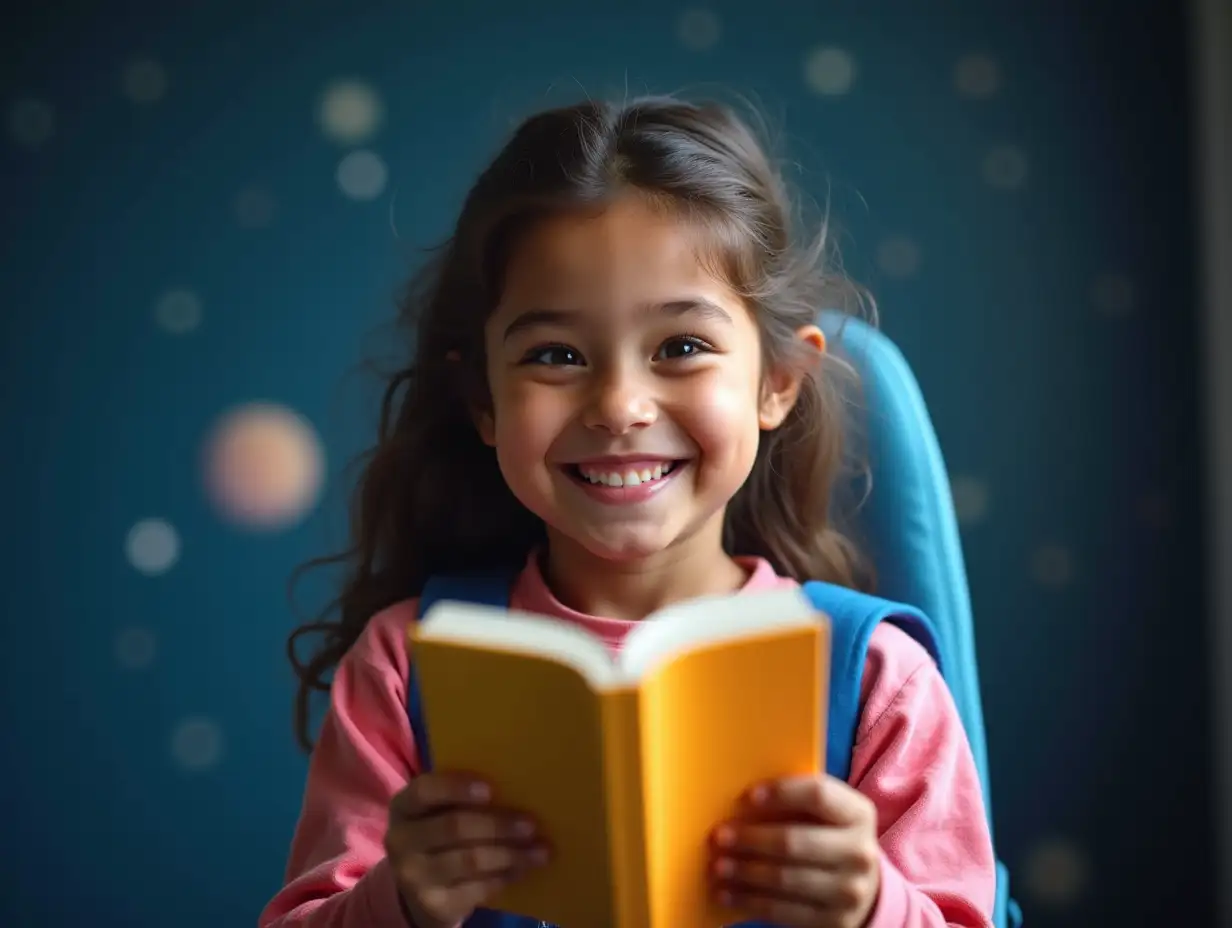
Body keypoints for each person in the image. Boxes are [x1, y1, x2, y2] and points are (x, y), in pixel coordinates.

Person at [260, 96, 996, 928]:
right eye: (555, 355)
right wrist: (400, 901)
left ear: (778, 382)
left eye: (680, 348)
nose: (619, 405)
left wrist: (871, 908)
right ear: (484, 401)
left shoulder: (876, 683)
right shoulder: (402, 669)